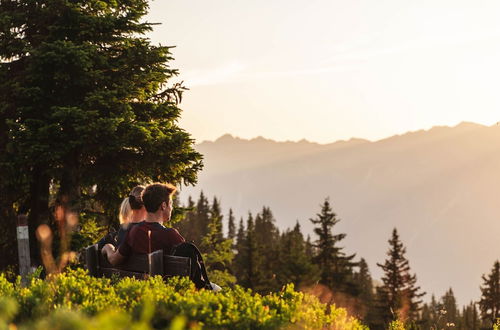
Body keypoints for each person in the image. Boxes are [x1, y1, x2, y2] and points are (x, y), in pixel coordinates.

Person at [101, 182, 185, 265]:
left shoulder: (134, 232)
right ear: (163, 205)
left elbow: (114, 260)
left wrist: (108, 247)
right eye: (170, 204)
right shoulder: (171, 235)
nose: (171, 208)